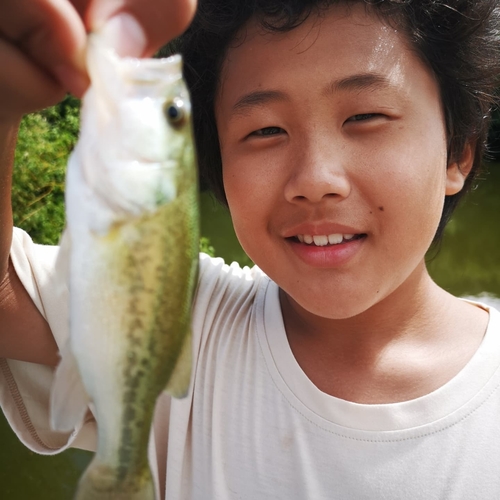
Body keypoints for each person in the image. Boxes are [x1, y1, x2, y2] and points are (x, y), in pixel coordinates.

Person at [1, 0, 500, 498]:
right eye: (265, 129)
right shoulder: (174, 314)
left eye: (366, 116)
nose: (315, 179)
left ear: (458, 151)